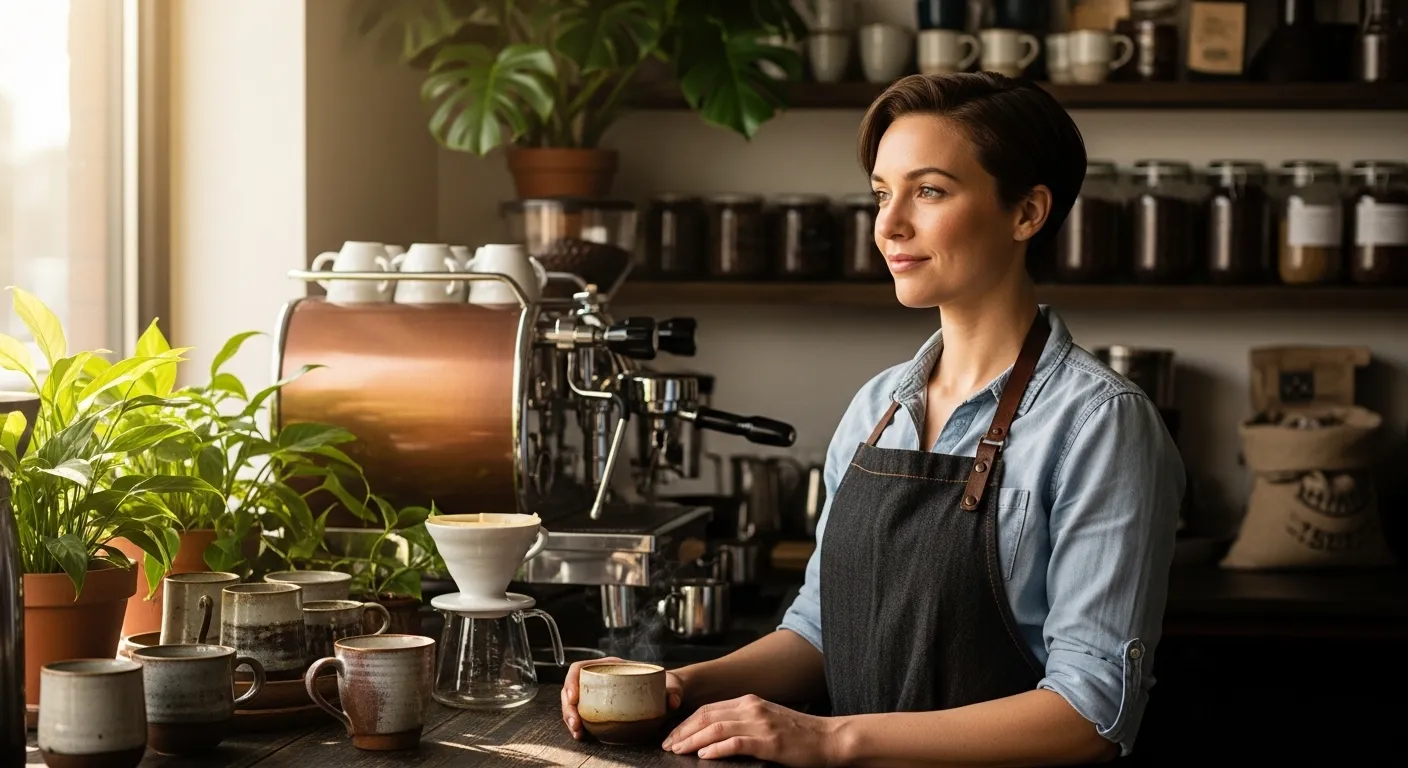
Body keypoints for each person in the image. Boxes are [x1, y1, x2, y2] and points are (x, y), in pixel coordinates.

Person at [560, 72, 1185, 767]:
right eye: (882, 194)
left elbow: (1090, 714)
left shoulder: (1100, 425)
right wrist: (680, 686)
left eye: (929, 191)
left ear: (1027, 213)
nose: (888, 224)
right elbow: (823, 630)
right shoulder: (879, 406)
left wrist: (830, 738)